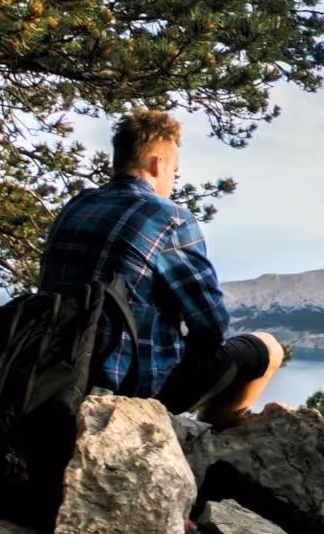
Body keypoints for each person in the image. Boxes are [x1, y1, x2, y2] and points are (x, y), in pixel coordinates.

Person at [39, 110, 283, 427]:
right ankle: (213, 439)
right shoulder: (168, 217)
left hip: (57, 375)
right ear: (157, 164)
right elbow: (211, 325)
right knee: (268, 348)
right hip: (132, 387)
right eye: (175, 172)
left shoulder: (76, 205)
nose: (173, 181)